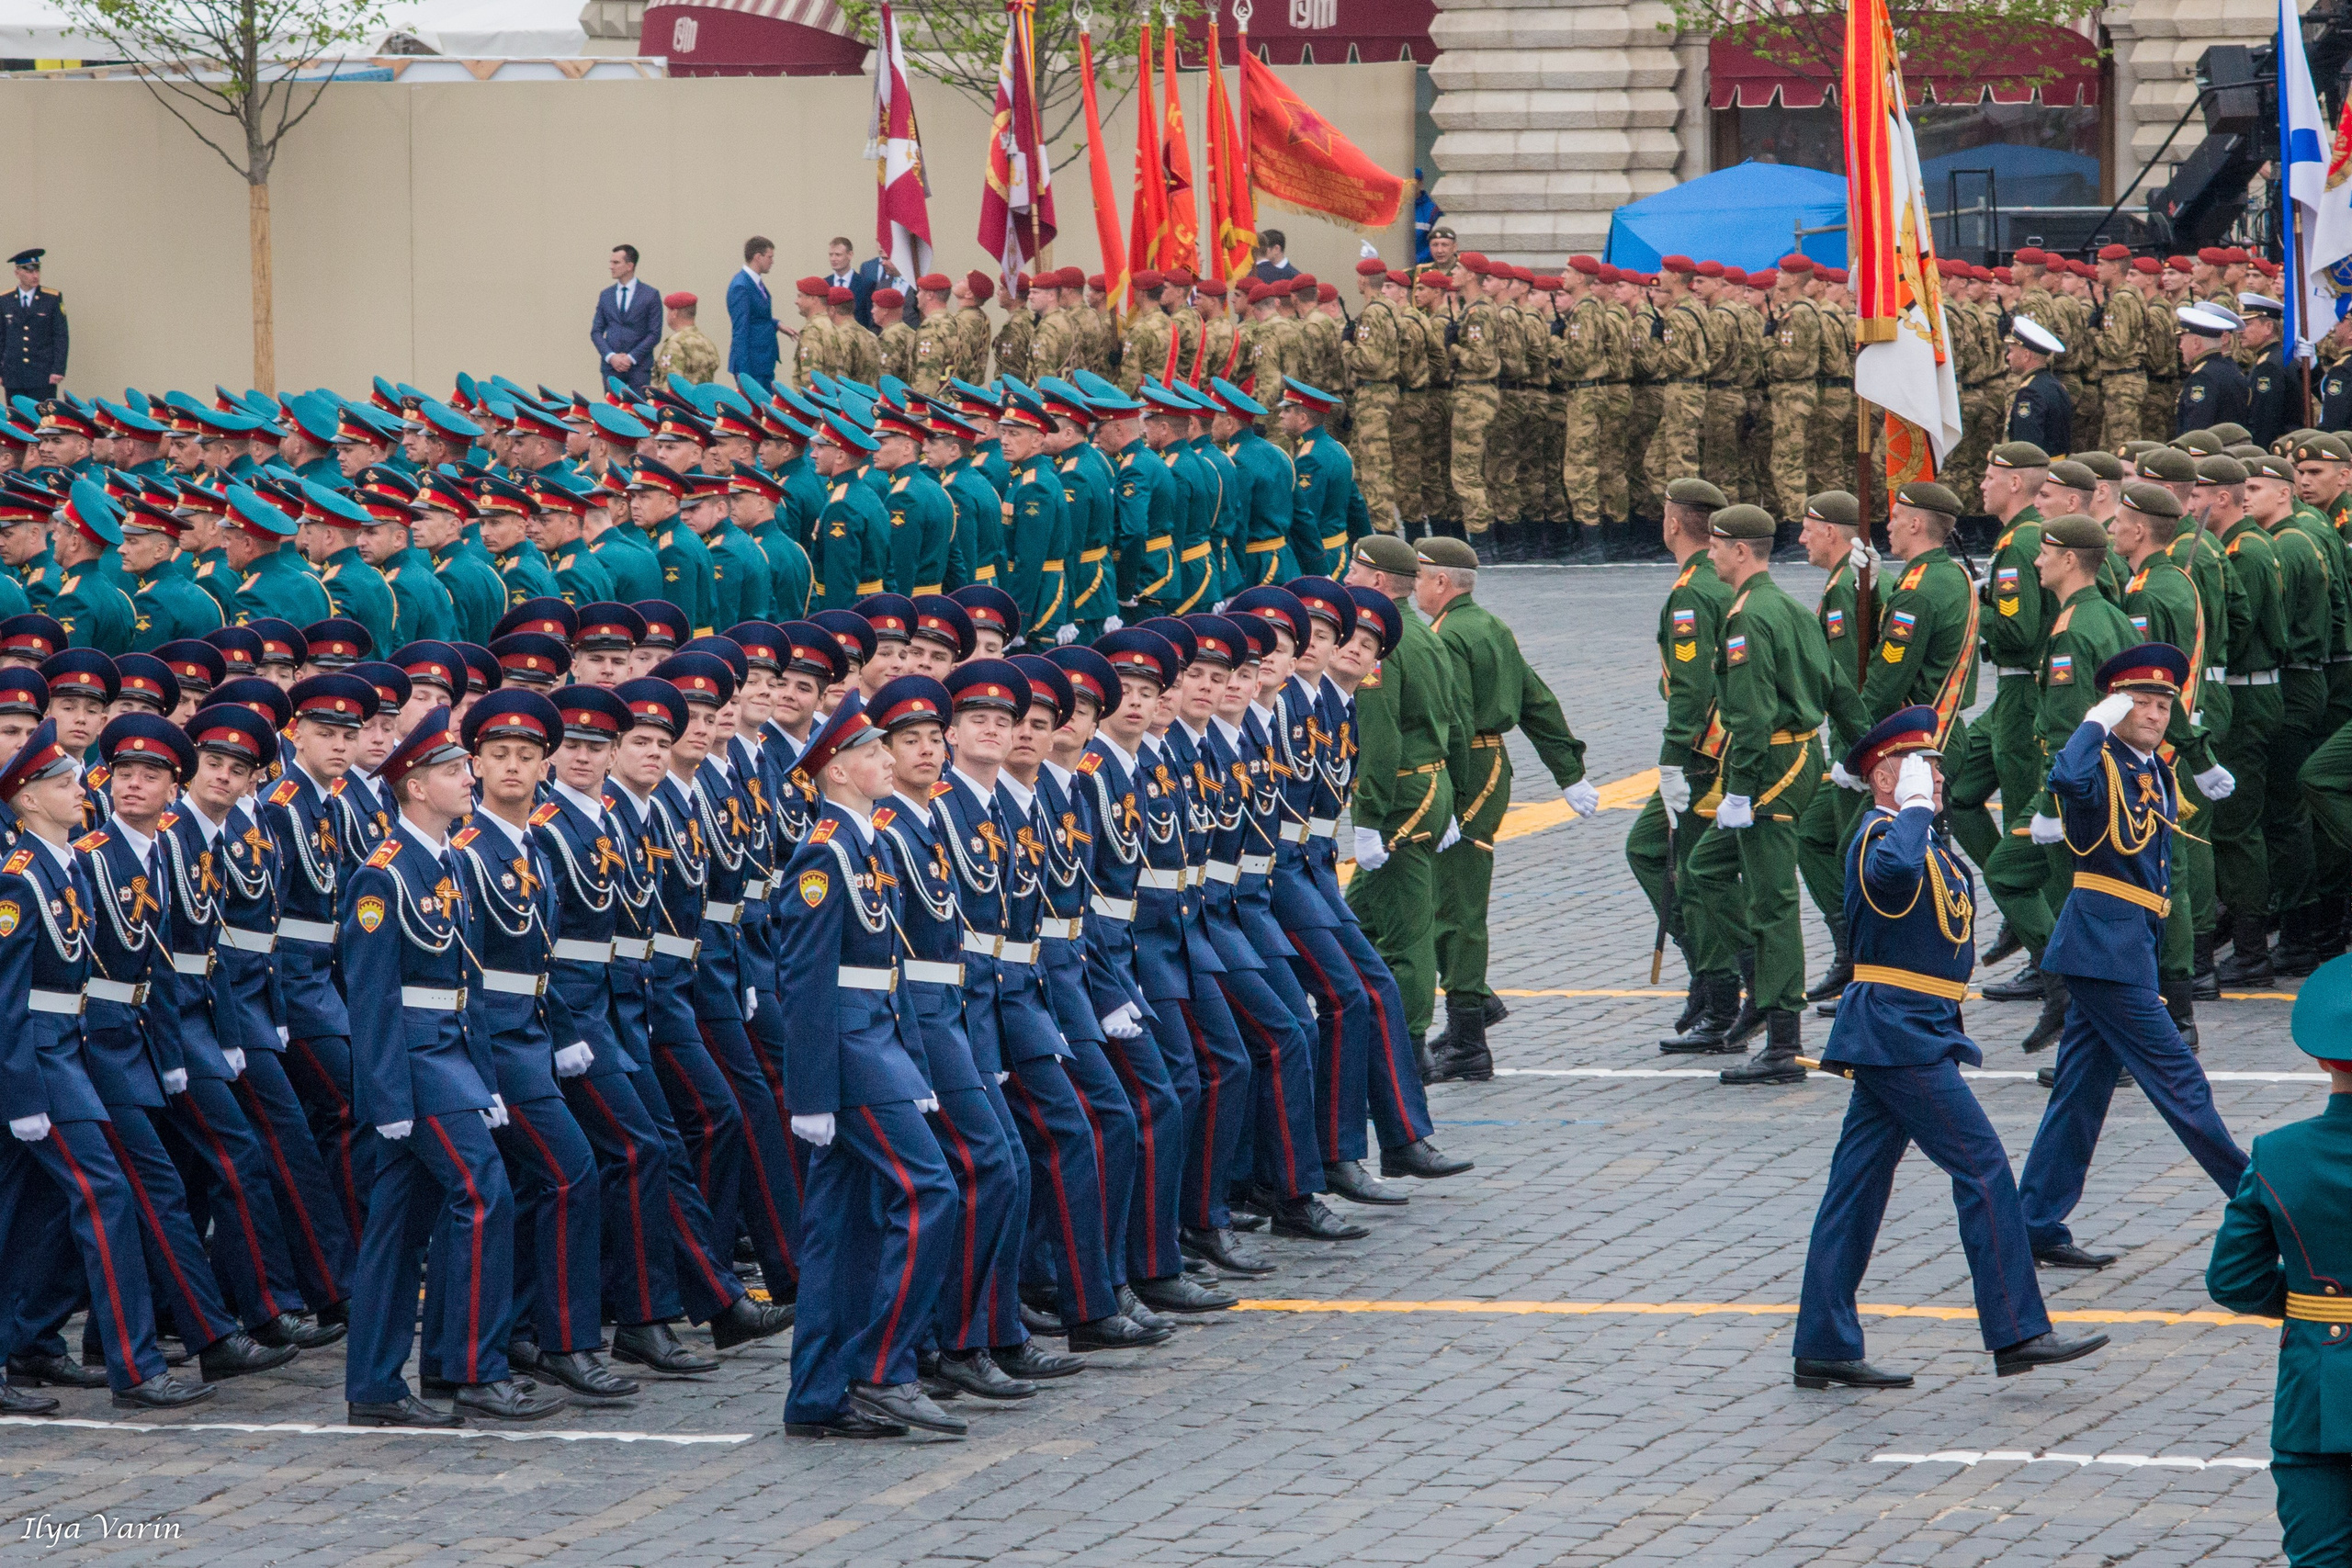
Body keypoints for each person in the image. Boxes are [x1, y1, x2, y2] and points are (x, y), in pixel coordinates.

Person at [1791, 705, 2107, 1389]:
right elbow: (1894, 874)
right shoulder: (1881, 836)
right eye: (1920, 768)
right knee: (1984, 1167)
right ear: (1884, 777)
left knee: (1856, 1186)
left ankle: (1822, 1341)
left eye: (1934, 768)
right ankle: (2018, 1330)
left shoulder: (1920, 836)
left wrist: (1920, 813)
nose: (1936, 778)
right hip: (1898, 1031)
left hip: (1913, 1027)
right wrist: (1909, 808)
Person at [339, 705, 564, 1427]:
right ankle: (475, 1368)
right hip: (415, 1063)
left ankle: (376, 1385)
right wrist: (385, 1096)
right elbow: (371, 997)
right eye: (452, 770)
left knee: (399, 1225)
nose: (469, 779)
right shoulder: (383, 876)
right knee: (483, 1191)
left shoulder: (446, 863)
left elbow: (468, 983)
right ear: (414, 786)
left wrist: (486, 1079)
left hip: (450, 1057)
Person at [2013, 643, 2251, 1270]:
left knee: (2080, 1092)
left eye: (2163, 704)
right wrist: (2094, 722)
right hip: (2103, 948)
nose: (2153, 714)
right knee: (2182, 1084)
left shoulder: (2154, 770)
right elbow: (2065, 781)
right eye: (2140, 702)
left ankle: (2032, 1223)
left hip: (2127, 945)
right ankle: (2267, 1209)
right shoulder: (2100, 763)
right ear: (2115, 708)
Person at [776, 694, 964, 1439]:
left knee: (839, 1227)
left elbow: (891, 970)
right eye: (873, 752)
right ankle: (884, 1367)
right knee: (931, 1189)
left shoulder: (869, 843)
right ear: (838, 771)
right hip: (850, 1054)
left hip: (877, 1044)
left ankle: (817, 1394)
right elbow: (806, 980)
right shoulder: (824, 853)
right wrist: (810, 1092)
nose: (888, 760)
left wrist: (913, 1066)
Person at [1413, 535, 1595, 1079]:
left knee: (1456, 906)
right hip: (1489, 765)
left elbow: (1452, 722)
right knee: (1448, 898)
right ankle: (1476, 1004)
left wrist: (1443, 798)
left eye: (1419, 575)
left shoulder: (1448, 635)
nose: (1415, 586)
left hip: (1466, 770)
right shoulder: (1488, 625)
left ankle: (1469, 1039)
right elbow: (1536, 697)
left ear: (1441, 581)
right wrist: (1569, 771)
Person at [2206, 957, 2352, 1567]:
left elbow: (2233, 1279)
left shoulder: (2279, 1154)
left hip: (2317, 1391)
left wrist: (2309, 1304)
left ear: (2321, 1060)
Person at [1680, 503, 1830, 1087]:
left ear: (1741, 551)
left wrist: (1740, 792)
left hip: (1771, 767)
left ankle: (1784, 1039)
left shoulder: (1747, 618)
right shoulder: (1787, 605)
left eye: (1717, 545)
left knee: (1773, 902)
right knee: (1706, 866)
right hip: (1796, 756)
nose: (1710, 553)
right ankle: (1762, 981)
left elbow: (1752, 717)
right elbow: (1834, 684)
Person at [593, 245, 662, 396]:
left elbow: (654, 333)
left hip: (639, 366)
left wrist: (631, 358)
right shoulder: (606, 295)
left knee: (638, 407)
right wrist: (611, 356)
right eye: (611, 262)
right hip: (611, 367)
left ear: (630, 266)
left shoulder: (650, 295)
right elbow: (596, 331)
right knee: (612, 408)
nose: (611, 266)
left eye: (616, 262)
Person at [1, 249, 66, 407]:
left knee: (43, 418)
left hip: (42, 374)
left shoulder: (51, 299)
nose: (35, 275)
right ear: (17, 273)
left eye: (37, 270)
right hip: (14, 374)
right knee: (16, 417)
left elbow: (60, 336)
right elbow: (2, 337)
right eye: (29, 271)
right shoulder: (5, 300)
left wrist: (58, 369)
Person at [728, 237, 782, 385]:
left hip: (763, 361)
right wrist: (745, 374)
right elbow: (741, 329)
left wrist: (777, 324)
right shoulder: (741, 286)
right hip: (753, 363)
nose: (772, 261)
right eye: (769, 257)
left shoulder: (755, 282)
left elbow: (757, 316)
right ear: (758, 257)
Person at [652, 295, 720, 387]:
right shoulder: (707, 343)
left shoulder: (675, 343)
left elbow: (670, 382)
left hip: (681, 396)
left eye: (668, 311)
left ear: (674, 313)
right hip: (702, 396)